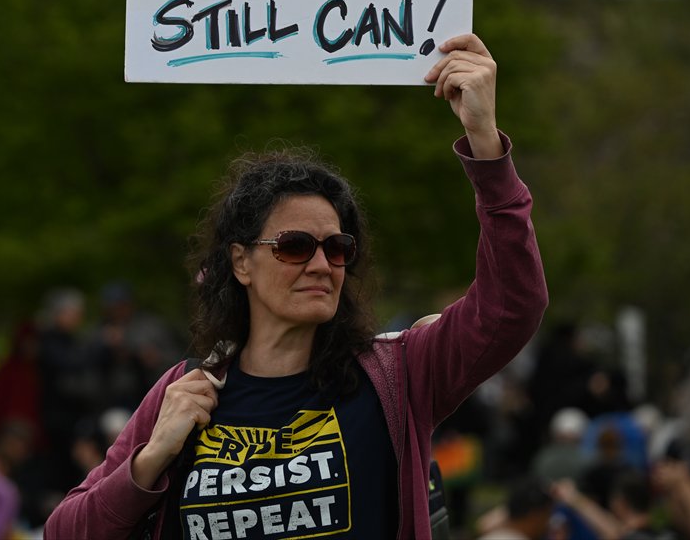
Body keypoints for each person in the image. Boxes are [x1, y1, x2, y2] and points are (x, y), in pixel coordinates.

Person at [44, 34, 549, 539]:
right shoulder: (185, 391)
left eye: (337, 248)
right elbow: (64, 533)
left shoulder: (399, 374)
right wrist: (152, 456)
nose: (321, 265)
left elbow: (512, 306)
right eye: (295, 246)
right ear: (241, 262)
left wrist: (485, 143)